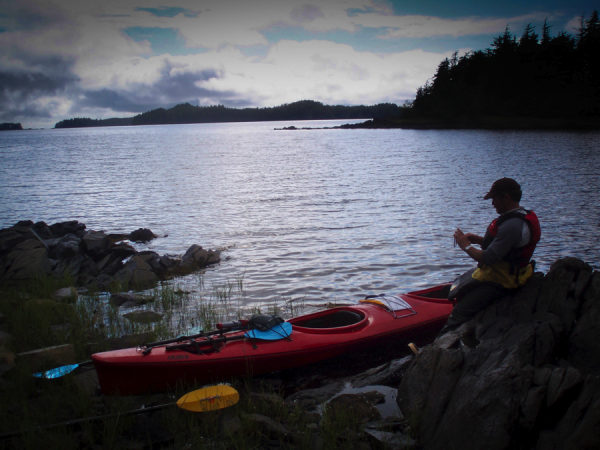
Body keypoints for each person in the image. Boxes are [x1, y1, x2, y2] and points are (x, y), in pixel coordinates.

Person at [437, 177, 541, 337]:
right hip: (497, 273)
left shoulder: (512, 225)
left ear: (506, 198)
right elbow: (504, 247)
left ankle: (439, 349)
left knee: (459, 312)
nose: (492, 203)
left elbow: (487, 258)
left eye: (494, 198)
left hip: (502, 282)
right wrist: (478, 239)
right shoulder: (518, 217)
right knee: (454, 287)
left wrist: (466, 246)